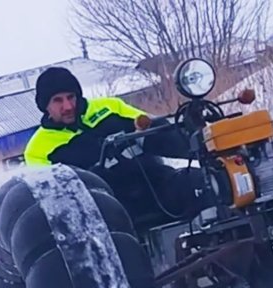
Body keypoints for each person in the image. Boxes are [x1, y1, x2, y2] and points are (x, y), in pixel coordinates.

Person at [23, 66, 202, 225]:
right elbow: (55, 200)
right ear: (45, 105)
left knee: (205, 182)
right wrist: (93, 178)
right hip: (110, 213)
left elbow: (153, 130)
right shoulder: (38, 150)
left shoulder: (110, 107)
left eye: (71, 97)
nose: (68, 106)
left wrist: (192, 137)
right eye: (58, 100)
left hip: (159, 185)